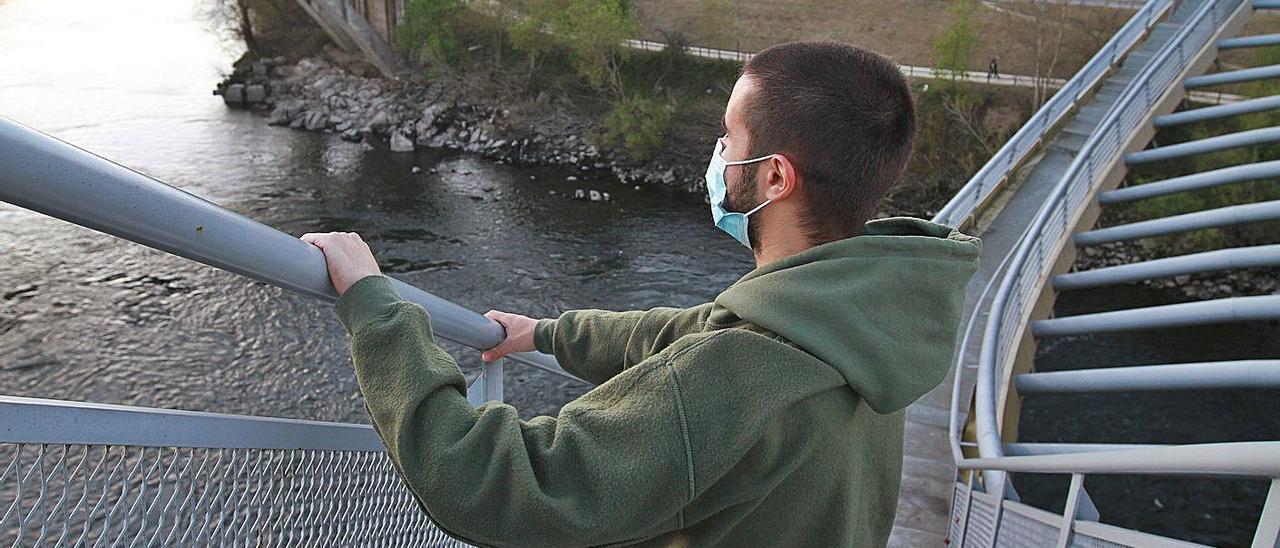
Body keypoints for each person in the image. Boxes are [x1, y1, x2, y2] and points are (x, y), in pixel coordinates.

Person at [302, 40, 981, 547]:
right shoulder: (869, 325)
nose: (718, 154)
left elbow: (493, 482)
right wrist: (547, 334)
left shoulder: (740, 371)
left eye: (729, 137)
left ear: (774, 177)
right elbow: (688, 330)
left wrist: (373, 304)